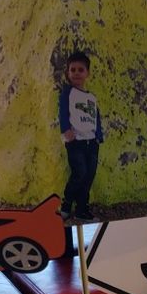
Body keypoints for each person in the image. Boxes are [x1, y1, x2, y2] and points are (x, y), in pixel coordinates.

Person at [58, 51, 104, 221]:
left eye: (81, 70)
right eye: (73, 70)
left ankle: (82, 209)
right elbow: (63, 111)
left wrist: (99, 135)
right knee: (79, 173)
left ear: (87, 73)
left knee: (89, 176)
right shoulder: (68, 92)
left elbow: (96, 117)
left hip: (92, 143)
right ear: (68, 73)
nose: (76, 73)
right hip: (75, 141)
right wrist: (65, 129)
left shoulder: (91, 97)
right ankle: (67, 203)